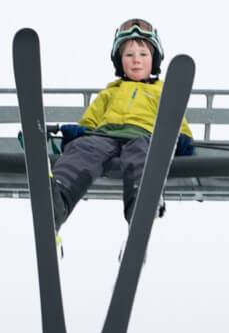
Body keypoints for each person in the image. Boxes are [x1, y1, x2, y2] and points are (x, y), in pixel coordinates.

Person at [50, 18, 194, 230]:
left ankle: (142, 204)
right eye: (129, 55)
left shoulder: (162, 91)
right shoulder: (111, 91)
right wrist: (78, 132)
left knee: (143, 155)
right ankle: (58, 197)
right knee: (83, 149)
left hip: (143, 136)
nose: (136, 60)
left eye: (143, 55)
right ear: (120, 61)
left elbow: (176, 119)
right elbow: (91, 120)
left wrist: (181, 138)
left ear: (153, 61)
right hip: (105, 136)